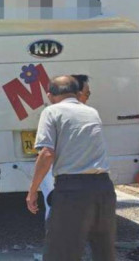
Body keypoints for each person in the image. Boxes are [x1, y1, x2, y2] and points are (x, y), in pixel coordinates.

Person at [27, 75, 115, 260]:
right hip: (104, 188)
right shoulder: (92, 111)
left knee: (61, 251)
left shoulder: (51, 112)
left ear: (50, 95)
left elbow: (47, 154)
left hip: (73, 190)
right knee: (103, 251)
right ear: (77, 93)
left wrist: (33, 190)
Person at [40, 74, 91, 220]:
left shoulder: (87, 114)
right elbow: (47, 153)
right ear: (76, 94)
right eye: (86, 93)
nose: (87, 97)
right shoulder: (56, 115)